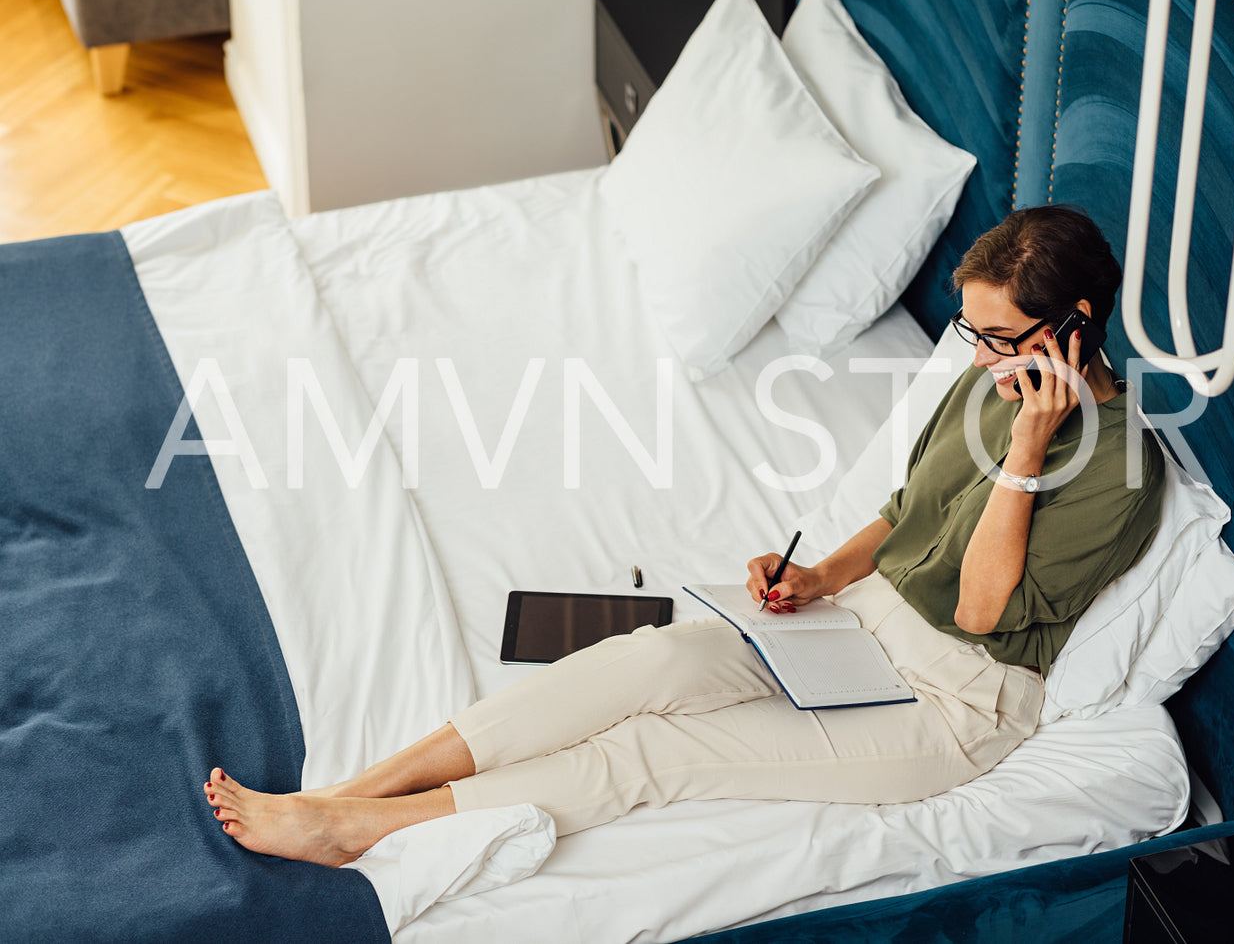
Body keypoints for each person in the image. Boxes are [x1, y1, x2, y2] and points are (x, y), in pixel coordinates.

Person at [202, 205, 1165, 868]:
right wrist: (818, 573)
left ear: (1071, 328)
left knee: (653, 755)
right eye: (971, 333)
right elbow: (907, 513)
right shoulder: (984, 378)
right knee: (640, 665)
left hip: (952, 699)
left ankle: (359, 828)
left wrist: (1028, 453)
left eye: (999, 337)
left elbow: (978, 605)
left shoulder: (1118, 465)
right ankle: (358, 784)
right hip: (859, 625)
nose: (981, 356)